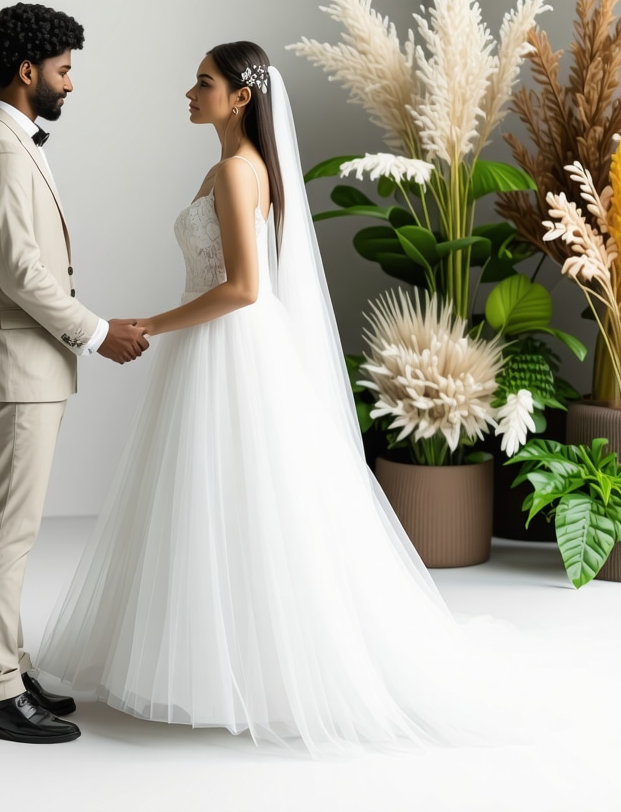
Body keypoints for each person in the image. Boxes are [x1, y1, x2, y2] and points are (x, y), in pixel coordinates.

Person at [34, 41, 542, 754]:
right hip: (216, 349)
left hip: (229, 348)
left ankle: (245, 672)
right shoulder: (234, 168)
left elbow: (245, 288)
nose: (190, 90)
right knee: (208, 504)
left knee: (240, 504)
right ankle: (211, 666)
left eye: (203, 81)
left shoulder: (239, 174)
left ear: (241, 97)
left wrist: (152, 321)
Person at [0, 2, 148, 745]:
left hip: (24, 365)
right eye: (64, 70)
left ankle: (9, 667)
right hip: (15, 367)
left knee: (13, 531)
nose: (71, 83)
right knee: (6, 534)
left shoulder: (8, 139)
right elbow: (24, 274)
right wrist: (99, 333)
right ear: (27, 72)